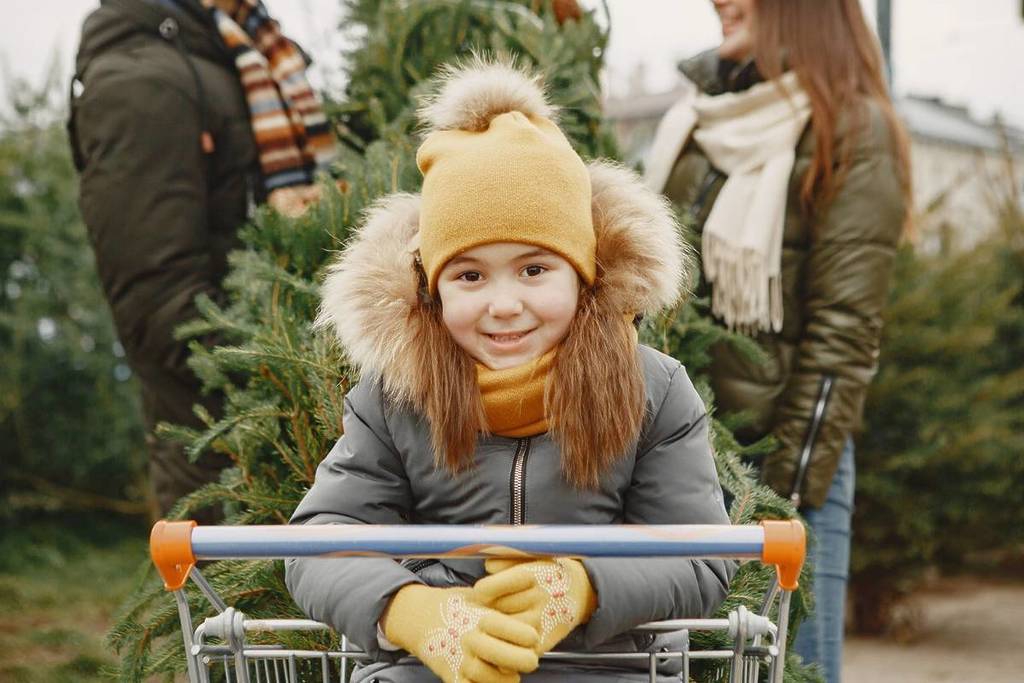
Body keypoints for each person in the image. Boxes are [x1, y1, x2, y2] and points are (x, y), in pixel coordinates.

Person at [285, 58, 735, 683]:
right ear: (433, 289)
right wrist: (412, 612)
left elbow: (700, 553)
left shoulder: (653, 392)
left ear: (583, 277)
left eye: (533, 270)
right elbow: (322, 540)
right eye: (470, 275)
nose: (503, 304)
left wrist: (586, 587)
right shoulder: (394, 398)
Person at [643, 1, 912, 681]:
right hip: (676, 456)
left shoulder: (854, 129)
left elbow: (843, 334)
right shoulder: (695, 121)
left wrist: (785, 495)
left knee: (788, 665)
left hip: (786, 462)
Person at [68, 0, 336, 522]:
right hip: (227, 467)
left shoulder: (247, 55)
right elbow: (160, 309)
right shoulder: (142, 81)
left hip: (301, 446)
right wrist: (300, 375)